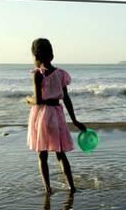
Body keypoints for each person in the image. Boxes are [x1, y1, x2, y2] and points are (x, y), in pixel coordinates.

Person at [26, 38, 86, 195]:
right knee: (60, 153)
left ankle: (48, 189)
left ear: (35, 57)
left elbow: (38, 100)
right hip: (57, 115)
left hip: (42, 116)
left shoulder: (38, 75)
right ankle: (72, 187)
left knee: (42, 154)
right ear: (52, 56)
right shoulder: (61, 74)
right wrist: (74, 120)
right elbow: (66, 98)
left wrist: (28, 99)